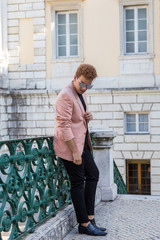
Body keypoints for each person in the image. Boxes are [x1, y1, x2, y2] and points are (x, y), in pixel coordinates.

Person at [54, 64, 107, 236]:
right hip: (70, 148)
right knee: (77, 184)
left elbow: (77, 118)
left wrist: (87, 117)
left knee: (93, 174)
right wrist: (75, 153)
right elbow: (63, 126)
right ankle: (83, 224)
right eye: (83, 83)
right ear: (75, 77)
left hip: (83, 143)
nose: (85, 88)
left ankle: (90, 219)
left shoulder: (80, 93)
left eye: (88, 85)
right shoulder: (65, 95)